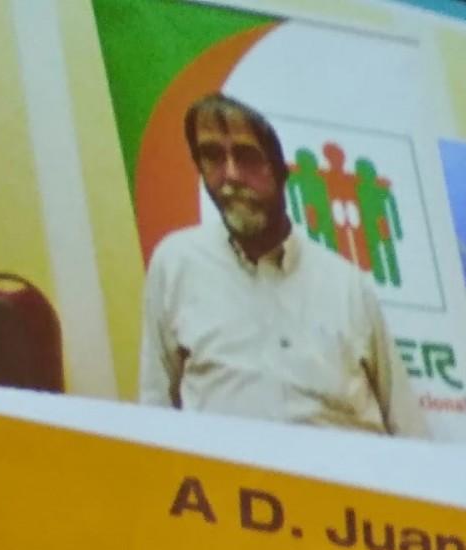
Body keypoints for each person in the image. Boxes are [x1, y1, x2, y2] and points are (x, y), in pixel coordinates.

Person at [139, 92, 426, 439]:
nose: (231, 176)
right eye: (212, 156)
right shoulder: (176, 264)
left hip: (345, 470)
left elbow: (408, 427)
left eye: (246, 156)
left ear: (279, 170)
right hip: (228, 471)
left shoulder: (347, 286)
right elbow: (155, 413)